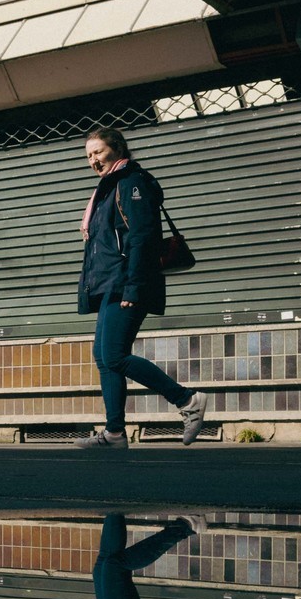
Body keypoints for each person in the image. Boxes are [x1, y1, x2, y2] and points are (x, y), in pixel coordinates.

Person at [74, 127, 208, 448]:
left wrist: (134, 288)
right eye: (89, 156)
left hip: (128, 283)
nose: (93, 160)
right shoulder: (106, 189)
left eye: (98, 152)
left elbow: (142, 237)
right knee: (104, 357)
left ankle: (187, 400)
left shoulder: (132, 183)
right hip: (111, 284)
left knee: (115, 356)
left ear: (117, 148)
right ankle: (115, 433)